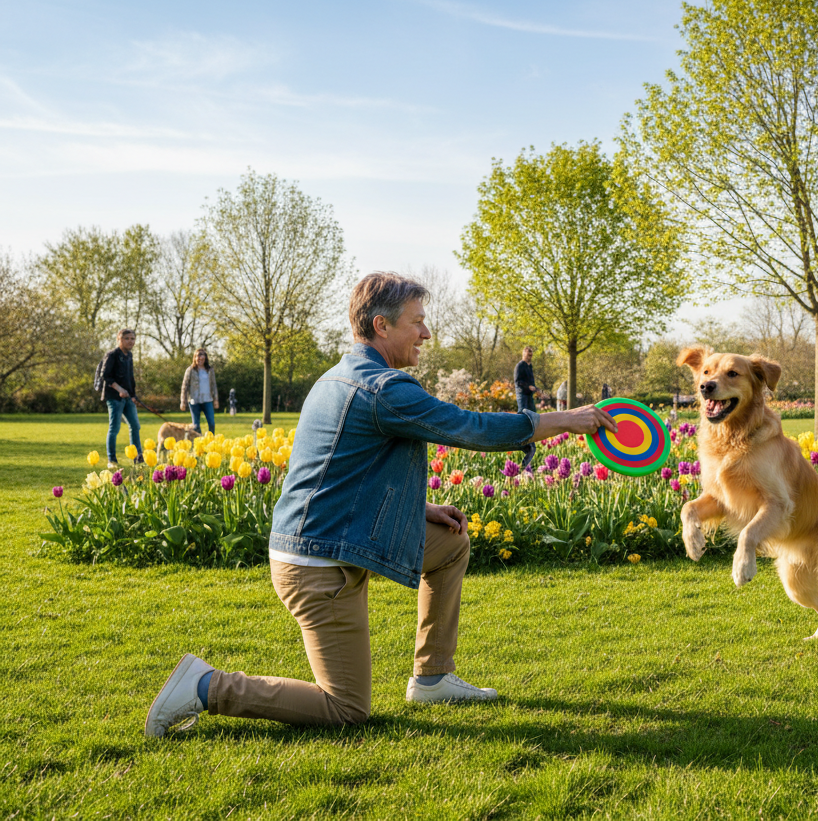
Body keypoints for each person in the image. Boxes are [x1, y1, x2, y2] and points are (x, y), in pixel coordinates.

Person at [145, 272, 616, 737]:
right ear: (381, 326)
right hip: (318, 562)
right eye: (417, 322)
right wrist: (566, 419)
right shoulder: (383, 388)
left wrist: (421, 509)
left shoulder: (342, 375)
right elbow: (470, 428)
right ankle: (206, 686)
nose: (427, 333)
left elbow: (342, 471)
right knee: (346, 708)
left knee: (449, 544)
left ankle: (432, 678)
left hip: (337, 536)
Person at [99, 329, 143, 467]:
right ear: (119, 339)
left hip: (128, 398)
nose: (131, 341)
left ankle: (138, 457)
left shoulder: (129, 356)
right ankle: (111, 460)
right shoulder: (112, 355)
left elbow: (130, 378)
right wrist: (119, 389)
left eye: (133, 339)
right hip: (114, 397)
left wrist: (133, 395)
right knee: (114, 428)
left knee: (135, 426)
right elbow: (105, 375)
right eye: (127, 338)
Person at [180, 348, 218, 434]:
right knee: (196, 426)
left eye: (202, 357)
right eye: (197, 357)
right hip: (194, 401)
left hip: (207, 400)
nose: (199, 359)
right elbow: (184, 387)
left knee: (211, 423)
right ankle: (199, 442)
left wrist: (216, 399)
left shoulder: (210, 370)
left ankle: (211, 442)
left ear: (205, 358)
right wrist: (183, 401)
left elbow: (213, 385)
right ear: (194, 358)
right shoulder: (190, 370)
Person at [513, 346, 538, 470]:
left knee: (534, 415)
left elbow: (531, 381)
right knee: (523, 414)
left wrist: (535, 388)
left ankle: (531, 435)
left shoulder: (529, 366)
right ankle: (520, 435)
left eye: (531, 355)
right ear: (523, 354)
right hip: (522, 394)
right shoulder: (520, 366)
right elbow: (518, 382)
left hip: (529, 395)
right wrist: (529, 387)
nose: (530, 357)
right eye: (528, 355)